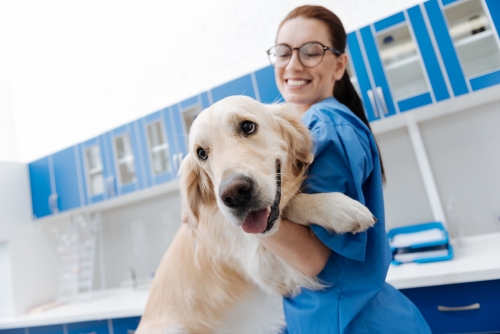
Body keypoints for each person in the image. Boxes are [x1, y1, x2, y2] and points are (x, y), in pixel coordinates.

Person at [257, 5, 432, 333]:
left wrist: (236, 205)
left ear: (339, 65)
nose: (293, 64)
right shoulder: (314, 127)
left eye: (311, 52)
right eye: (283, 52)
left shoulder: (323, 125)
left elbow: (312, 258)